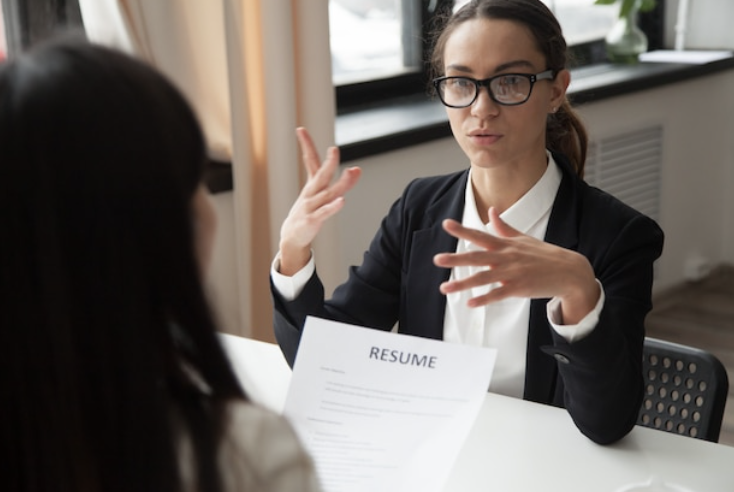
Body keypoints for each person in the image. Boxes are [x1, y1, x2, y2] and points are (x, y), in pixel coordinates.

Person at [271, 0, 664, 445]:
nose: (481, 108)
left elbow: (607, 424)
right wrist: (293, 251)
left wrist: (578, 289)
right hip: (431, 458)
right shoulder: (419, 209)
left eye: (510, 81)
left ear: (556, 90)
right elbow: (324, 359)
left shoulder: (618, 237)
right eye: (461, 83)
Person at [0, 38, 321, 492]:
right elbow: (326, 339)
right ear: (161, 228)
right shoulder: (244, 455)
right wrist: (293, 256)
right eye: (195, 179)